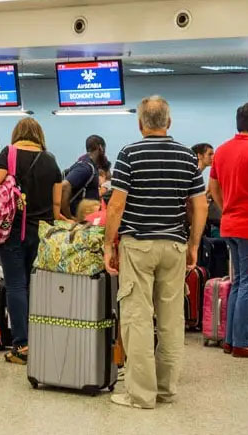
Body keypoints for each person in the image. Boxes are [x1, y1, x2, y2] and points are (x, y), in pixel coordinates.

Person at [104, 96, 207, 408]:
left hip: (139, 245)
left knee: (136, 317)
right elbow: (199, 206)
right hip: (174, 245)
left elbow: (117, 204)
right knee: (171, 320)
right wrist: (193, 244)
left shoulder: (129, 154)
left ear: (140, 124)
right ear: (169, 123)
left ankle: (141, 394)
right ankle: (165, 389)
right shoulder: (188, 157)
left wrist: (109, 244)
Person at [0, 118, 62, 365]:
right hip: (42, 233)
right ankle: (38, 339)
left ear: (18, 134)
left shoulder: (11, 153)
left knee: (16, 285)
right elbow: (57, 204)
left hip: (14, 231)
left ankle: (22, 344)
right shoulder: (51, 160)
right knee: (34, 285)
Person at [208, 102, 248, 358]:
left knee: (238, 282)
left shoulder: (221, 150)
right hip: (245, 225)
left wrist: (227, 210)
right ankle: (243, 343)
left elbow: (213, 187)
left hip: (229, 224)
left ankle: (231, 340)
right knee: (247, 284)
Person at [61, 135, 107, 220]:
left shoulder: (88, 165)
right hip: (79, 218)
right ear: (100, 148)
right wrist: (68, 216)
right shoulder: (86, 167)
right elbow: (64, 186)